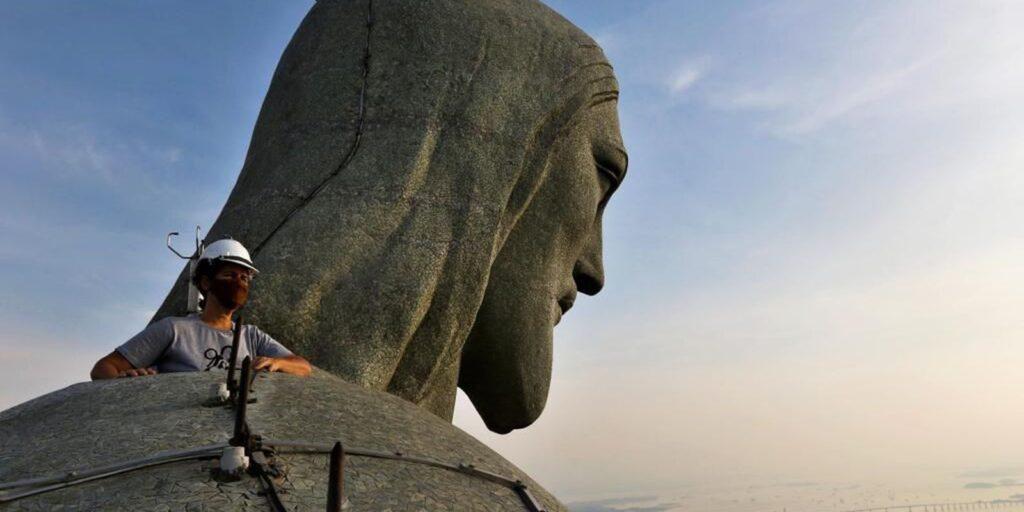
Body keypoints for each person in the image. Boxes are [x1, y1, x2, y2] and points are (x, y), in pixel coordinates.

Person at [90, 238, 310, 379]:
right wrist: (124, 380)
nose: (239, 283)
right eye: (229, 275)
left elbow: (303, 367)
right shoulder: (174, 330)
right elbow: (103, 367)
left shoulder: (251, 336)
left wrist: (278, 362)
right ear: (206, 282)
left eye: (244, 278)